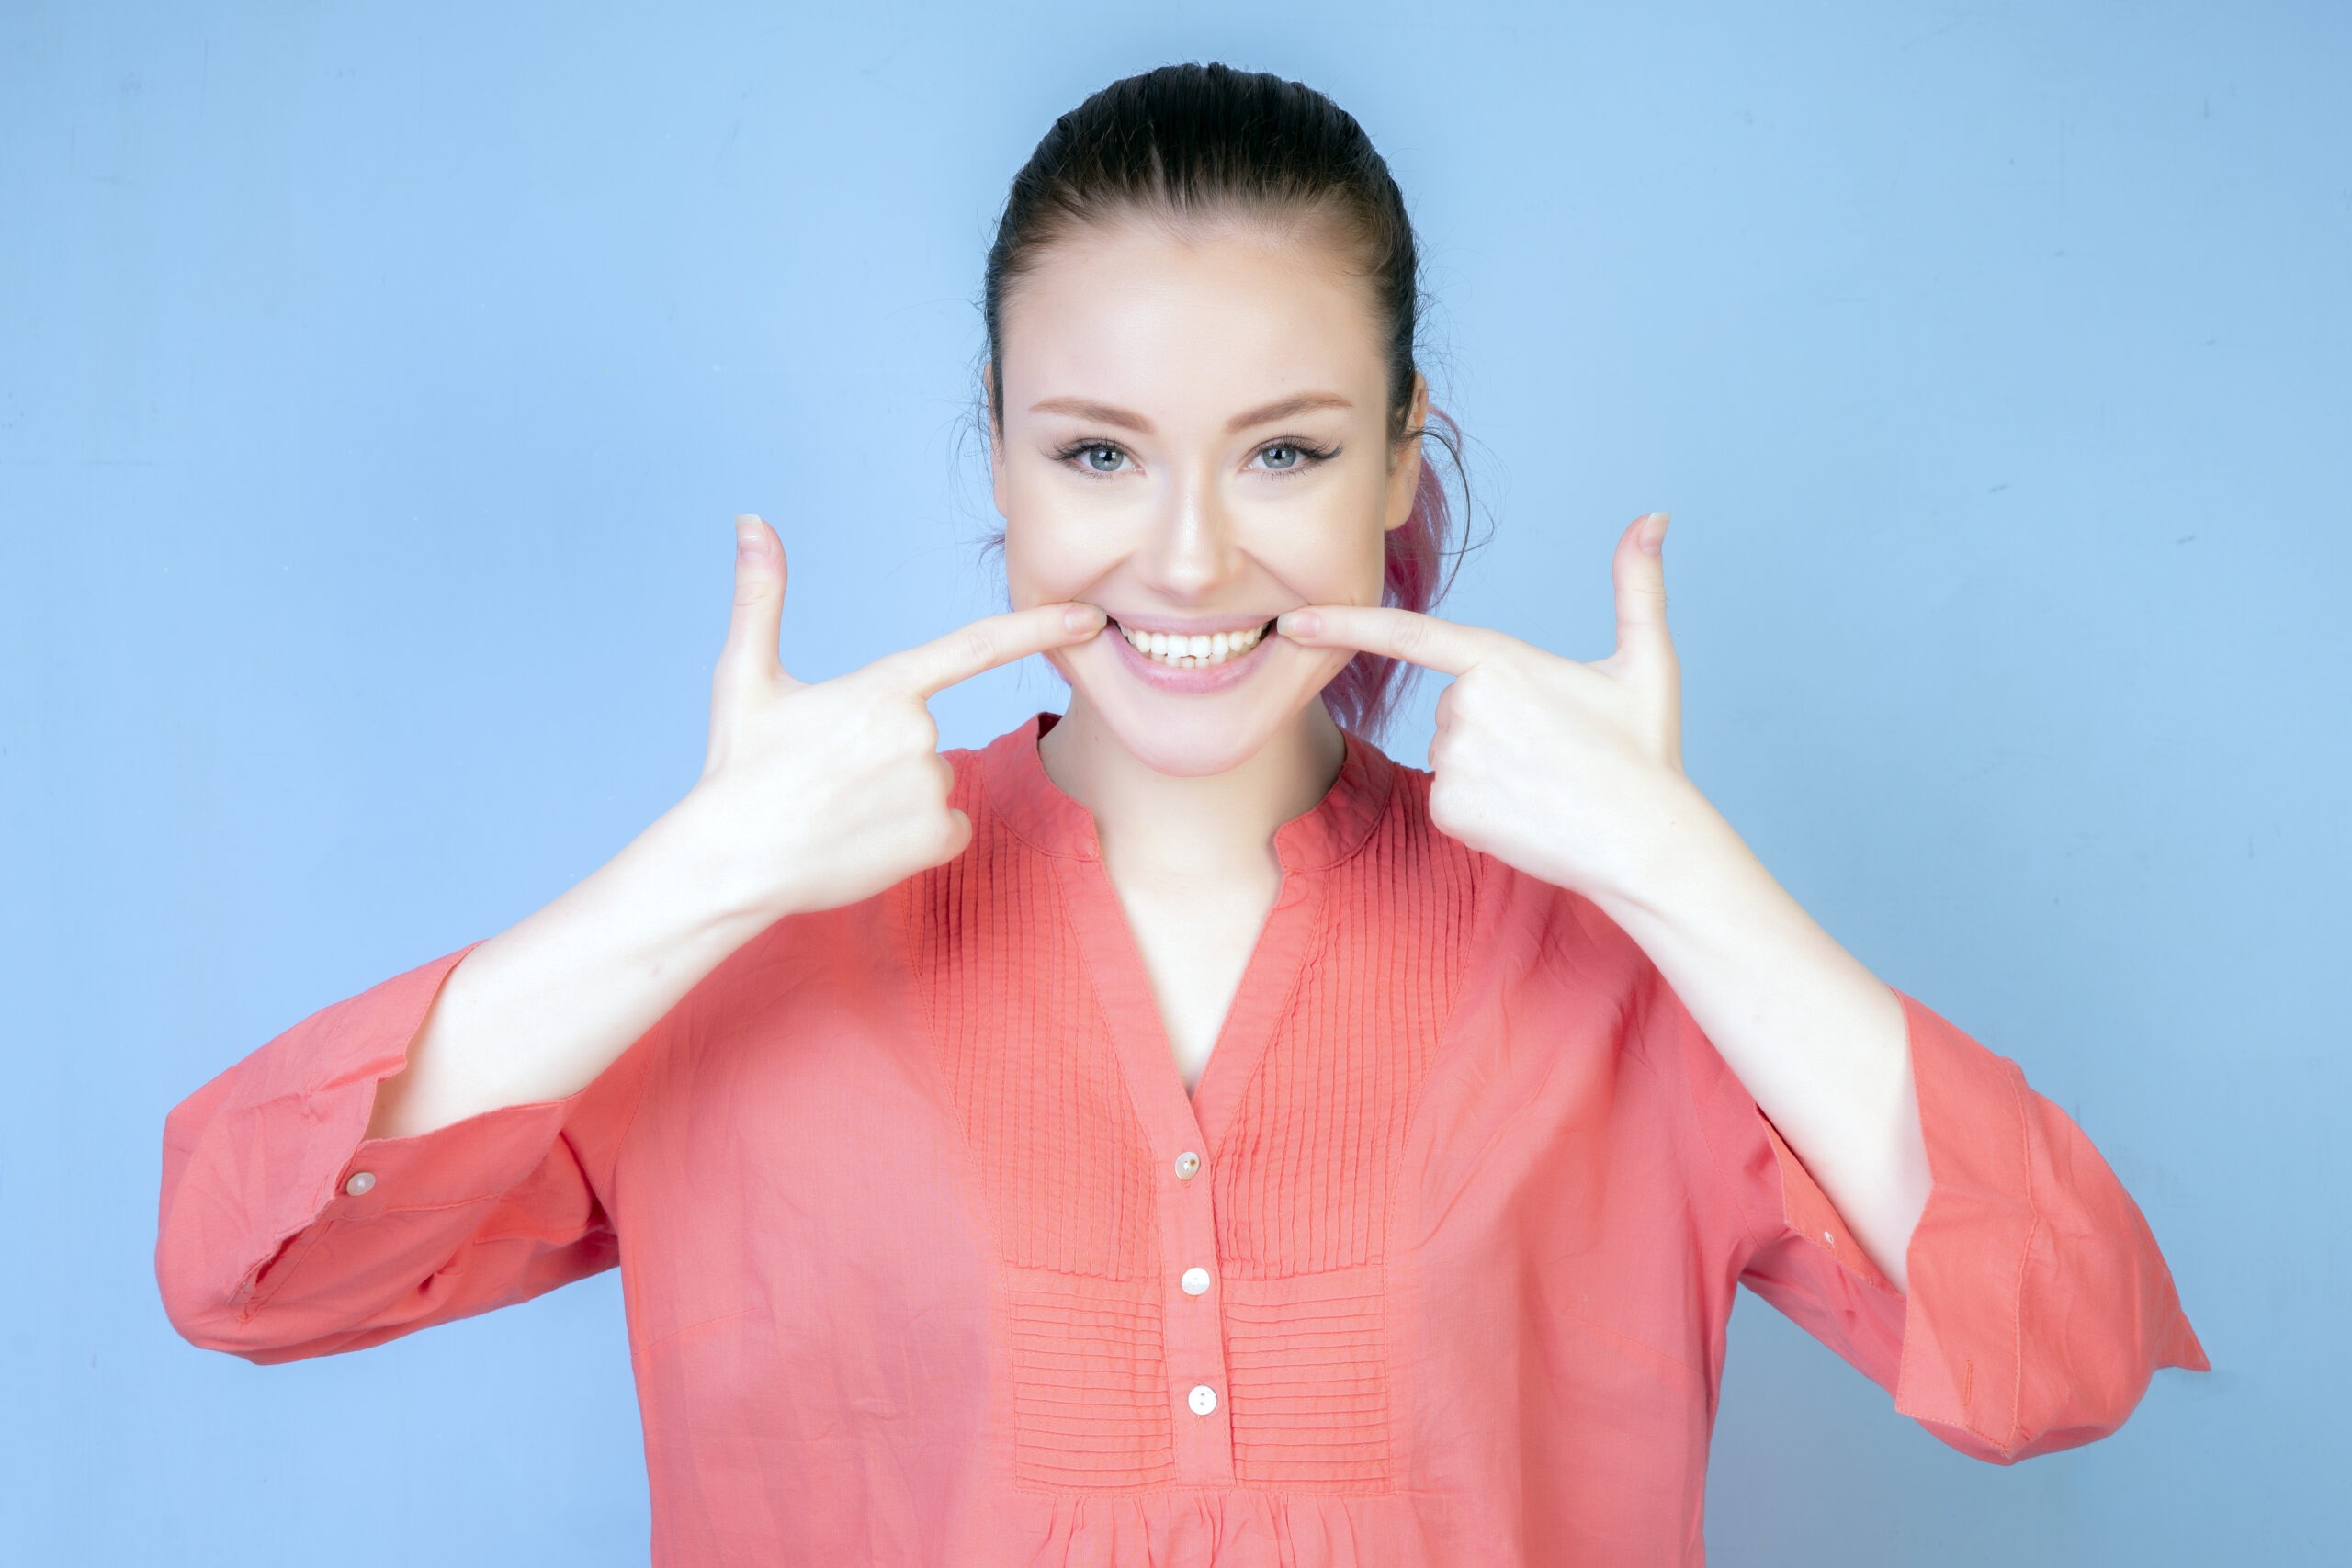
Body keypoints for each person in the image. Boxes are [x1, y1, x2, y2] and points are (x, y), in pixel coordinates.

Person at [154, 62, 2206, 1566]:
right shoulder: (753, 940)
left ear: (1404, 455)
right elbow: (243, 1262)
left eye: (1287, 449)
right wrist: (695, 880)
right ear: (1000, 455)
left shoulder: (1607, 952)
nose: (1193, 555)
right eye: (1100, 451)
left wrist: (1676, 870)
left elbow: (2064, 1349)